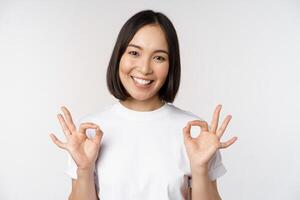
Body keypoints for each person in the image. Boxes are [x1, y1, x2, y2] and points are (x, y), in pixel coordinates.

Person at [50, 9, 238, 200]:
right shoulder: (89, 132)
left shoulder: (195, 133)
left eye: (159, 57)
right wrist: (84, 169)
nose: (145, 68)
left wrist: (200, 169)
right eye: (134, 53)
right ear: (119, 57)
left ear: (170, 66)